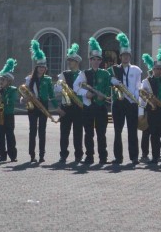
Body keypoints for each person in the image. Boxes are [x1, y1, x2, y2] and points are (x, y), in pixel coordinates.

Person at [109, 33, 143, 165]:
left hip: (132, 102)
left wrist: (133, 97)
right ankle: (118, 157)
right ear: (120, 56)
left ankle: (134, 157)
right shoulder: (113, 70)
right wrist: (112, 81)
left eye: (128, 55)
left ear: (130, 56)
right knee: (117, 131)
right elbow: (109, 82)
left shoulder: (136, 70)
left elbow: (138, 85)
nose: (126, 57)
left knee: (132, 131)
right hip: (118, 103)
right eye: (123, 55)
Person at [77, 37, 111, 165]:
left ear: (101, 61)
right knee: (88, 133)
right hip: (89, 106)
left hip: (101, 106)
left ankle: (103, 157)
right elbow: (76, 88)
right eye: (93, 59)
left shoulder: (106, 74)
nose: (96, 61)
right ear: (90, 60)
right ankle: (89, 157)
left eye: (98, 59)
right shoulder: (84, 73)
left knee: (101, 133)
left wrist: (105, 95)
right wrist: (86, 93)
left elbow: (108, 88)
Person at [24, 40, 55, 164]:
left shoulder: (48, 80)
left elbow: (52, 95)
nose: (42, 69)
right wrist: (24, 98)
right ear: (36, 67)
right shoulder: (29, 79)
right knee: (33, 131)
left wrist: (57, 108)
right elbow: (25, 93)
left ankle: (42, 155)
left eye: (44, 67)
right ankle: (32, 154)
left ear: (46, 68)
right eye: (40, 67)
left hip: (44, 106)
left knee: (42, 131)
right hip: (32, 107)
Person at [58, 44, 85, 164]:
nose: (69, 62)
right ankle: (63, 155)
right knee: (64, 133)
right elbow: (57, 89)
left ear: (77, 62)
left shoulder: (82, 74)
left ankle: (78, 155)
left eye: (71, 61)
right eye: (69, 60)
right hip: (66, 106)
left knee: (78, 133)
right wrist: (62, 88)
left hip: (78, 106)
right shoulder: (64, 74)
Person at [0, 59, 18, 162]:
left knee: (10, 136)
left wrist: (2, 100)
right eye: (0, 80)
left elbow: (11, 101)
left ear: (9, 81)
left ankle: (12, 155)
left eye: (3, 80)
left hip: (8, 115)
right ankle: (2, 155)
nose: (1, 82)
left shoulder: (13, 90)